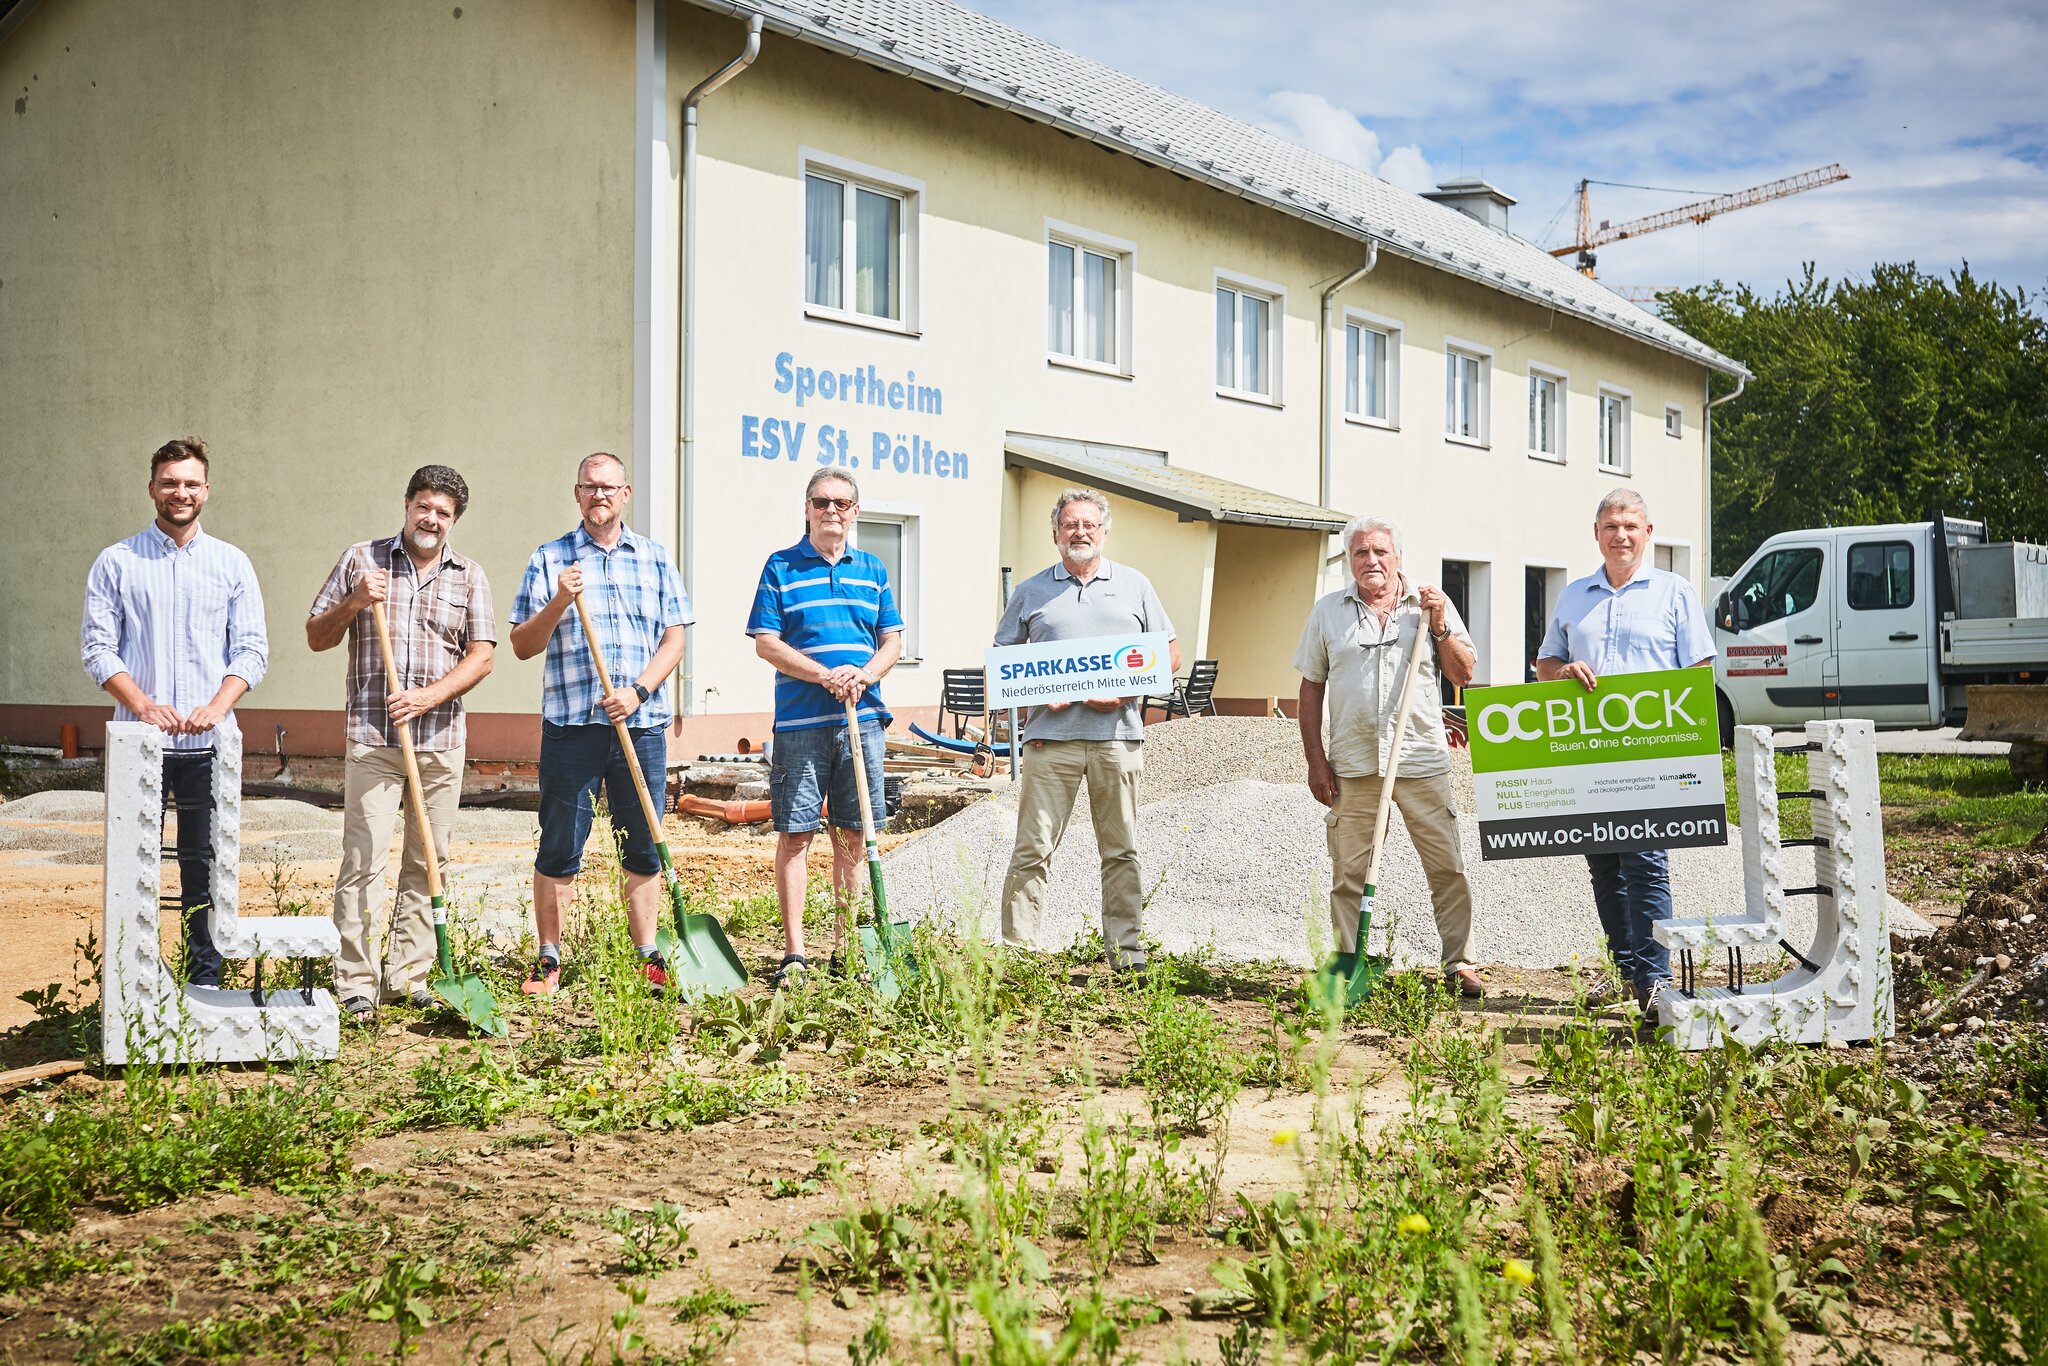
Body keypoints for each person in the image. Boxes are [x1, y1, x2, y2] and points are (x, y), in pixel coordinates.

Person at [306, 466, 496, 1026]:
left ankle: (410, 976)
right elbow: (317, 635)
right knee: (363, 859)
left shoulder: (469, 576)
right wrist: (354, 603)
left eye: (443, 512)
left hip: (439, 741)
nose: (430, 519)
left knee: (427, 862)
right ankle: (356, 983)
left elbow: (482, 656)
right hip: (373, 738)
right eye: (423, 507)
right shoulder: (362, 561)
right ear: (407, 504)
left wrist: (425, 698)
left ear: (453, 520)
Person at [80, 437, 268, 987]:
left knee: (203, 867)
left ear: (206, 490)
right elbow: (98, 647)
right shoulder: (117, 562)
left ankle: (203, 977)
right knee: (133, 870)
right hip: (139, 744)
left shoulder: (231, 563)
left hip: (209, 747)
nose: (180, 492)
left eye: (190, 483)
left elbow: (252, 649)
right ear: (152, 489)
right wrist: (142, 706)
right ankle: (135, 982)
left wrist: (217, 705)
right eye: (170, 482)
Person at [508, 453, 691, 995]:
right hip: (572, 727)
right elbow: (522, 644)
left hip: (641, 726)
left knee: (642, 843)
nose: (599, 496)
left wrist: (638, 692)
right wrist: (562, 599)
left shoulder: (655, 559)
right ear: (576, 493)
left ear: (626, 493)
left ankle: (647, 954)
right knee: (561, 844)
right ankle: (548, 957)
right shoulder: (550, 559)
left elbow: (675, 638)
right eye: (590, 488)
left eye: (608, 488)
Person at [1536, 488, 1717, 1016]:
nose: (1621, 535)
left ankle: (1655, 980)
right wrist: (1563, 672)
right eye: (1611, 526)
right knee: (1604, 864)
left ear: (1648, 533)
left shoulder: (1675, 593)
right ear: (1597, 534)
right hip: (1590, 756)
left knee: (1646, 863)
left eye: (1631, 525)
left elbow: (1699, 674)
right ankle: (1625, 972)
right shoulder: (1574, 596)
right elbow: (1546, 665)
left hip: (1650, 756)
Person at [1295, 515, 1484, 997]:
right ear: (1350, 560)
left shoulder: (1427, 605)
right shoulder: (1328, 611)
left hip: (1420, 760)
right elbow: (1311, 687)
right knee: (1348, 871)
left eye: (1380, 552)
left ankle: (1458, 961)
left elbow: (1462, 674)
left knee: (1446, 865)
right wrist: (1316, 760)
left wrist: (1439, 628)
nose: (1371, 561)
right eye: (1361, 553)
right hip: (1353, 764)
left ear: (1398, 557)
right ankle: (1346, 960)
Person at [994, 489, 1178, 973]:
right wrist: (1037, 688)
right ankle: (1019, 951)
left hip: (1118, 738)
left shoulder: (1135, 585)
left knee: (1121, 849)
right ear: (1055, 534)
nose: (1080, 532)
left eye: (1089, 525)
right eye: (1071, 525)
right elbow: (1004, 664)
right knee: (1032, 847)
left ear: (1103, 531)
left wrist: (1121, 693)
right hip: (1048, 740)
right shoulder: (1031, 592)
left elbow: (1169, 657)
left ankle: (1127, 953)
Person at [747, 469, 905, 984]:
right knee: (796, 835)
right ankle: (795, 953)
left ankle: (847, 951)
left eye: (841, 502)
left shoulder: (874, 569)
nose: (831, 510)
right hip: (801, 723)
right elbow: (766, 642)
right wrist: (825, 675)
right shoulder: (781, 566)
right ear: (808, 509)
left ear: (855, 511)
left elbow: (892, 642)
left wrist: (864, 674)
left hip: (863, 720)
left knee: (853, 836)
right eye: (821, 502)